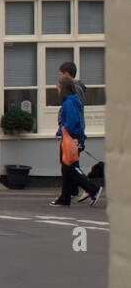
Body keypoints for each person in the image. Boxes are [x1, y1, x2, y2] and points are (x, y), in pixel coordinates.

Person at [51, 74, 102, 208]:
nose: (57, 88)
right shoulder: (72, 100)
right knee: (67, 169)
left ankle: (93, 189)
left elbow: (73, 121)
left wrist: (62, 131)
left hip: (71, 138)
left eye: (58, 86)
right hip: (73, 137)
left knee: (70, 168)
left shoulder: (69, 102)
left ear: (63, 88)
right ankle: (65, 198)